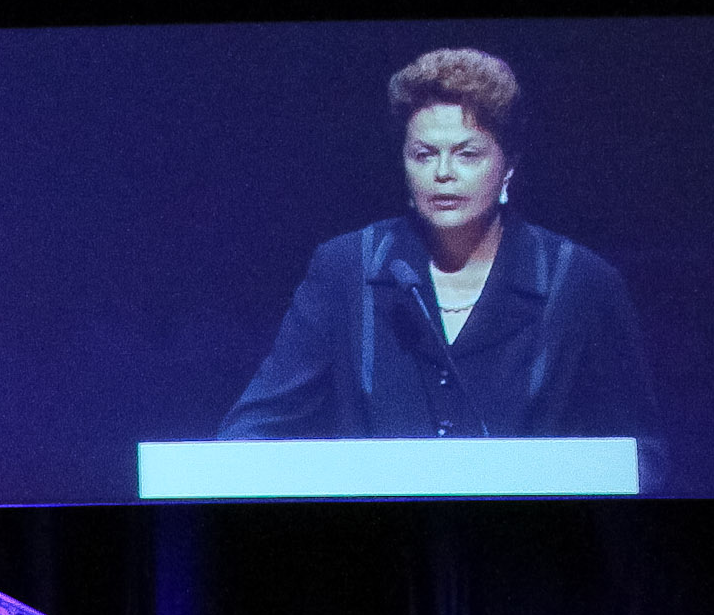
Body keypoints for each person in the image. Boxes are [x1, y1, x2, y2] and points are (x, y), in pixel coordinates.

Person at [219, 46, 656, 456]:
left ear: (508, 167)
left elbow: (641, 455)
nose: (443, 173)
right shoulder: (347, 267)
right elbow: (254, 426)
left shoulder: (580, 280)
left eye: (467, 155)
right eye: (424, 155)